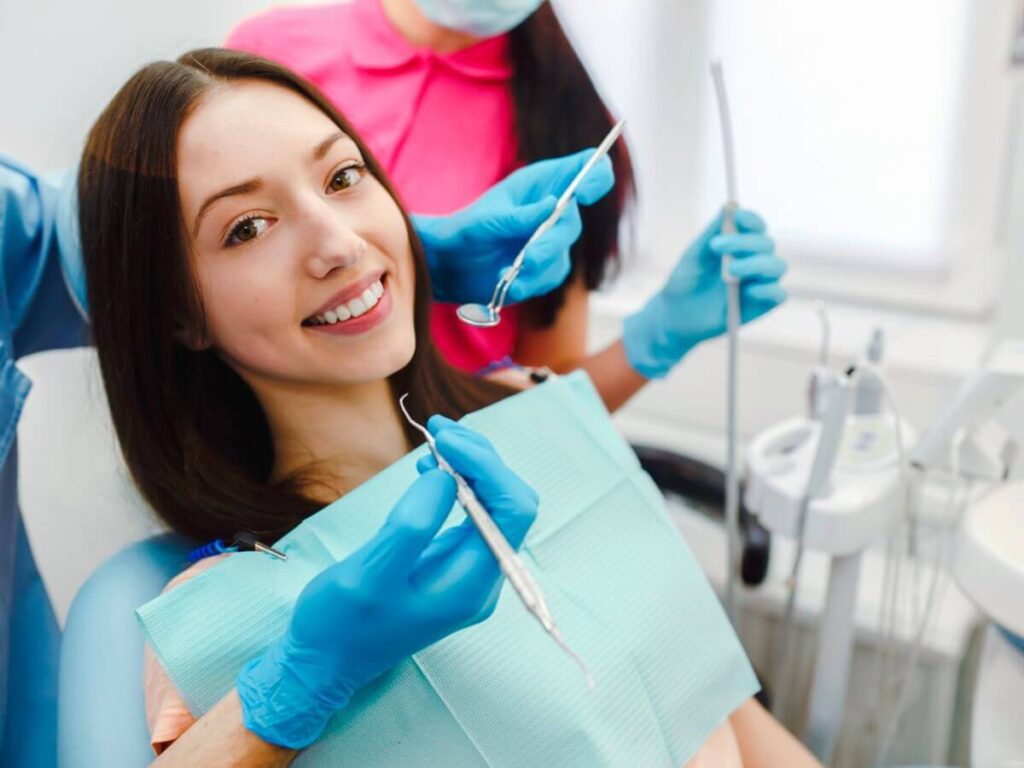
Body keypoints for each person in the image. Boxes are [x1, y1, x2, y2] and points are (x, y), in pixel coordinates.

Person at [79, 48, 812, 766]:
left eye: (343, 176)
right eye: (248, 227)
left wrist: (656, 338)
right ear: (182, 317)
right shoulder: (229, 611)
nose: (340, 243)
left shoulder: (536, 406)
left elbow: (721, 707)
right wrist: (295, 689)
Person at [225, 0, 786, 410]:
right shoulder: (272, 53)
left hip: (434, 466)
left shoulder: (566, 126)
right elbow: (186, 256)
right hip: (259, 445)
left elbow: (542, 387)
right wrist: (421, 260)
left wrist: (659, 336)